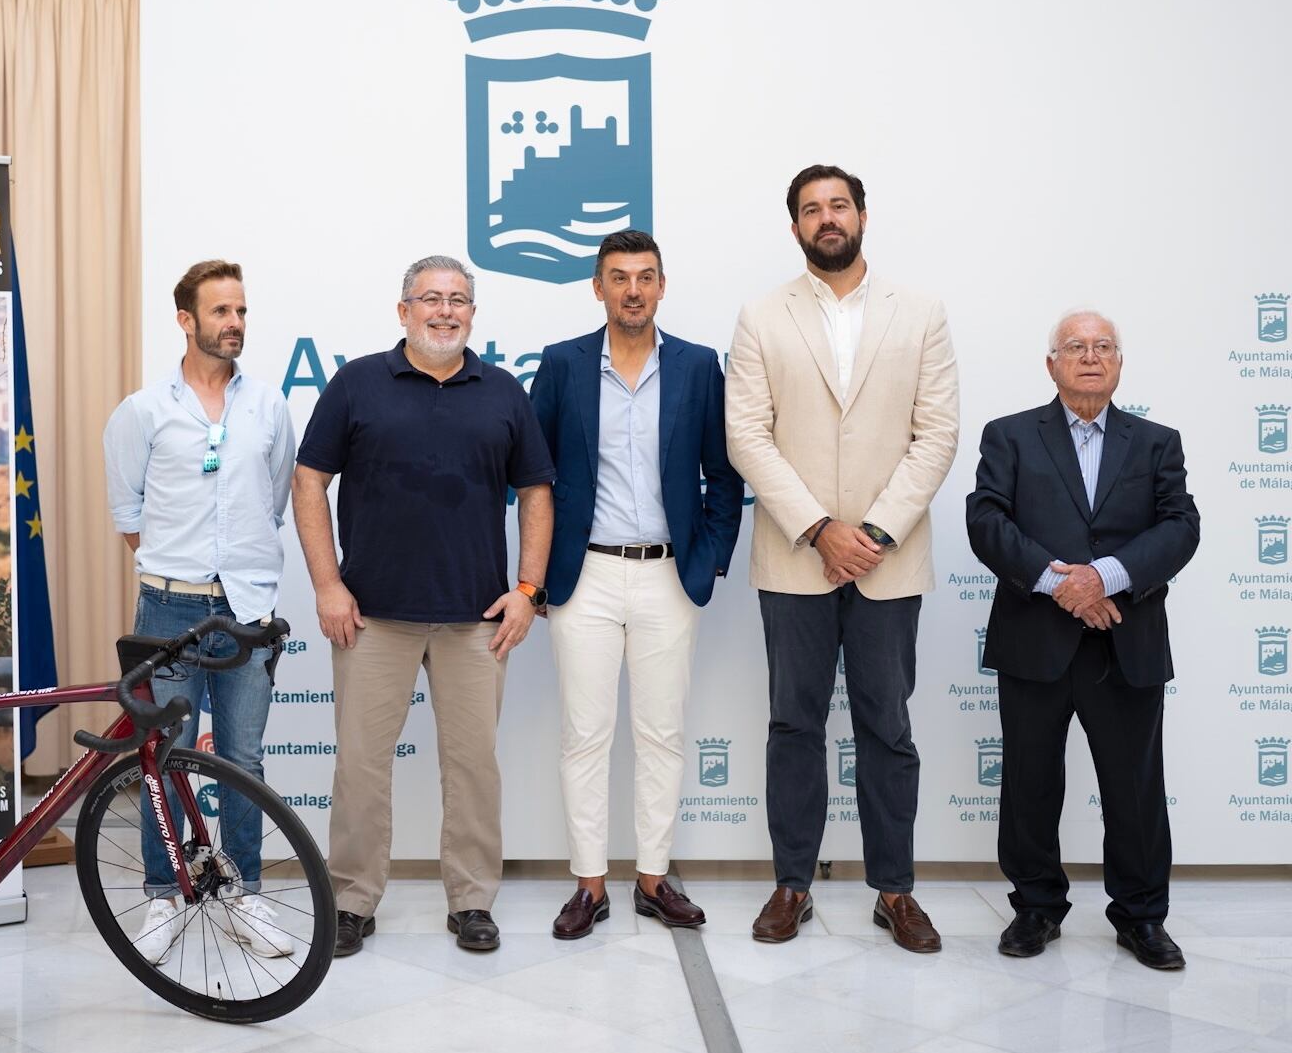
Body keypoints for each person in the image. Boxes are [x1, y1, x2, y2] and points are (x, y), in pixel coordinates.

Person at [725, 164, 959, 952]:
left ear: (862, 214)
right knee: (794, 723)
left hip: (890, 561)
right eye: (811, 209)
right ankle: (793, 882)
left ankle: (895, 889)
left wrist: (876, 533)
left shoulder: (920, 313)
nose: (827, 218)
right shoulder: (762, 316)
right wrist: (821, 527)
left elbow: (937, 435)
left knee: (886, 726)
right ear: (794, 226)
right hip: (796, 557)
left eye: (839, 205)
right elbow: (747, 436)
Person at [294, 255, 554, 957]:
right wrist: (327, 583)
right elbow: (309, 480)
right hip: (371, 616)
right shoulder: (356, 385)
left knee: (473, 765)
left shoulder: (501, 391)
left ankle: (472, 901)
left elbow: (536, 492)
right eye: (431, 298)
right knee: (359, 765)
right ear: (402, 309)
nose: (446, 310)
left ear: (473, 313)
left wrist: (529, 589)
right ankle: (350, 900)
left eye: (459, 300)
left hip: (476, 621)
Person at [966, 309, 1199, 971]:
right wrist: (1056, 582)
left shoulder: (1157, 442)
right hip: (1035, 638)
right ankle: (1036, 906)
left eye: (1103, 347)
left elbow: (1179, 526)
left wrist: (1105, 578)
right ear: (1052, 364)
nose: (1090, 356)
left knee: (1135, 788)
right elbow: (986, 519)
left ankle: (1141, 915)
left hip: (1127, 641)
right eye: (1075, 346)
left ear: (1120, 364)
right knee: (1031, 783)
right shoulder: (1009, 436)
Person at [529, 230, 742, 938]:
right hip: (583, 574)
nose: (632, 289)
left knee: (662, 734)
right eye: (618, 277)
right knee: (585, 734)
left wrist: (709, 558)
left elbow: (724, 472)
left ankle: (653, 879)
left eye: (645, 276)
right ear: (598, 288)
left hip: (666, 576)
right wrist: (537, 572)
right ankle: (589, 884)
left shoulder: (697, 366)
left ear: (661, 285)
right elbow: (533, 478)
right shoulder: (561, 365)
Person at [103, 259, 298, 965]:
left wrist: (228, 571)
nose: (235, 323)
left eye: (241, 311)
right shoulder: (143, 410)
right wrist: (181, 569)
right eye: (221, 312)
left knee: (243, 759)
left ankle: (241, 890)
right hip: (168, 609)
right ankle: (164, 892)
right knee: (164, 757)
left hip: (245, 609)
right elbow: (129, 513)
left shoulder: (269, 407)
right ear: (186, 320)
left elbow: (271, 503)